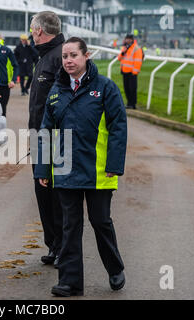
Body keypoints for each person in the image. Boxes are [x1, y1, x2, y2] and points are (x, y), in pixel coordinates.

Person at [34, 37, 127, 297]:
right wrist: (43, 169)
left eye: (73, 55)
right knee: (69, 226)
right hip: (65, 171)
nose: (68, 61)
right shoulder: (56, 91)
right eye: (65, 57)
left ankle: (115, 268)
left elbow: (118, 128)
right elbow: (45, 132)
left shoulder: (105, 88)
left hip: (99, 172)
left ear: (87, 56)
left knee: (100, 221)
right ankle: (70, 282)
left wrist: (114, 164)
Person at [29, 11, 64, 268]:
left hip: (55, 140)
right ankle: (53, 245)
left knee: (57, 196)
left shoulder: (60, 57)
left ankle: (63, 246)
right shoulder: (44, 58)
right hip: (38, 139)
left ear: (39, 30)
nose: (31, 34)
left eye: (32, 30)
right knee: (43, 194)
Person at [117, 34, 143, 109]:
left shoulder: (136, 48)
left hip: (132, 72)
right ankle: (129, 103)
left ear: (132, 39)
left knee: (132, 89)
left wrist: (134, 72)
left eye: (129, 39)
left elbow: (138, 61)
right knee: (126, 88)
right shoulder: (125, 47)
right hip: (125, 71)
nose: (127, 40)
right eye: (126, 39)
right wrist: (123, 52)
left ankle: (133, 104)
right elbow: (119, 58)